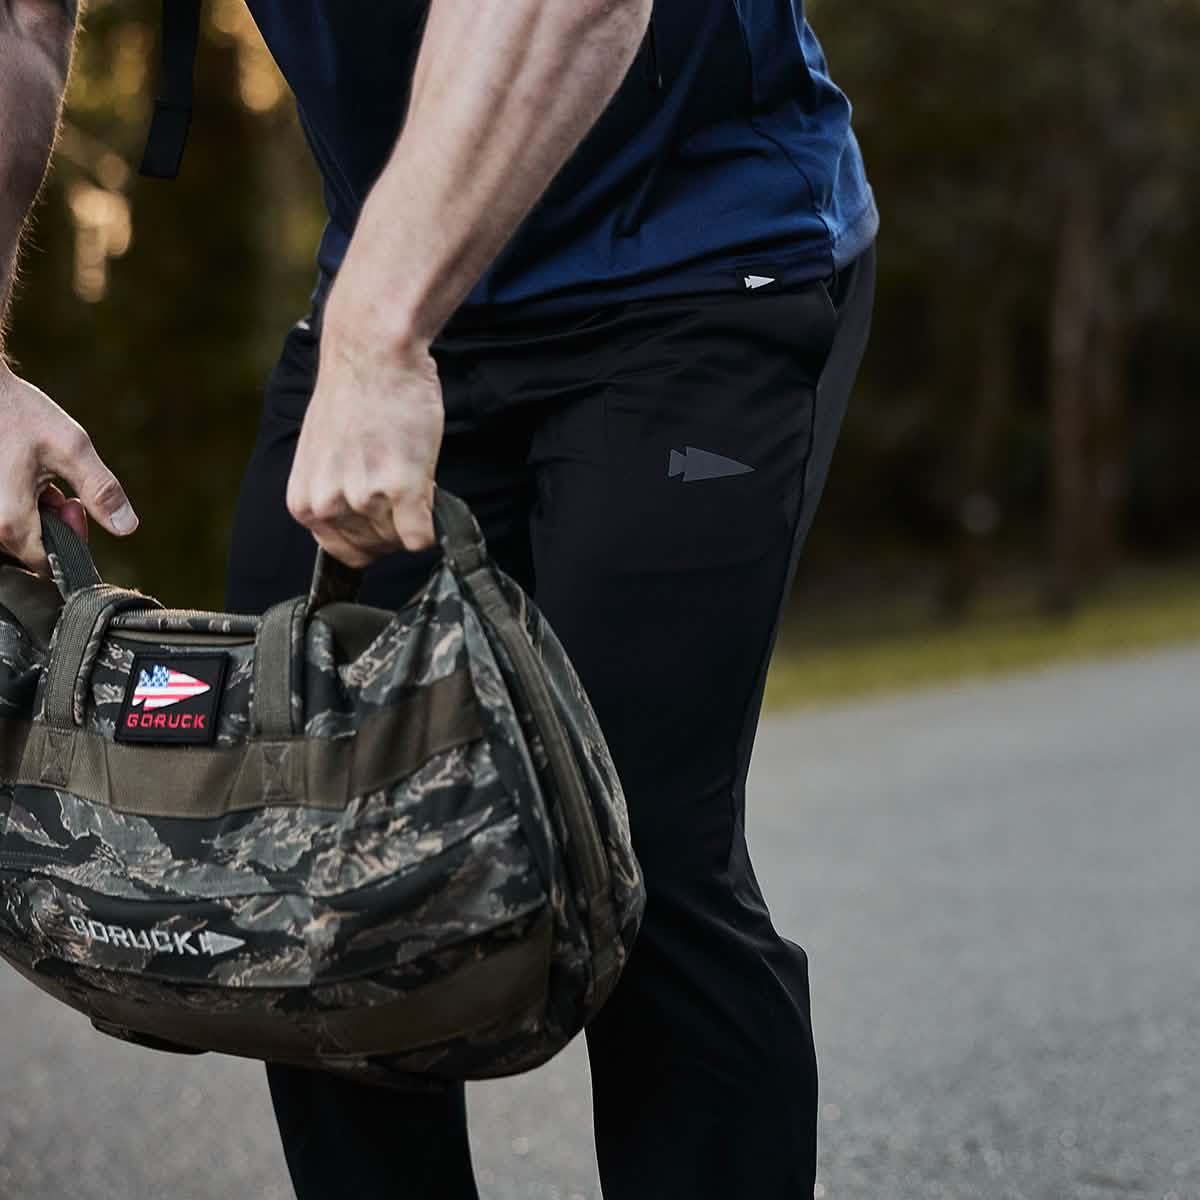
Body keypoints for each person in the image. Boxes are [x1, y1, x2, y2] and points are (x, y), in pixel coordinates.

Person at [0, 1, 877, 1196]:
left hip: (697, 260)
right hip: (393, 279)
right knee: (299, 847)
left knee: (642, 848)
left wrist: (378, 338)